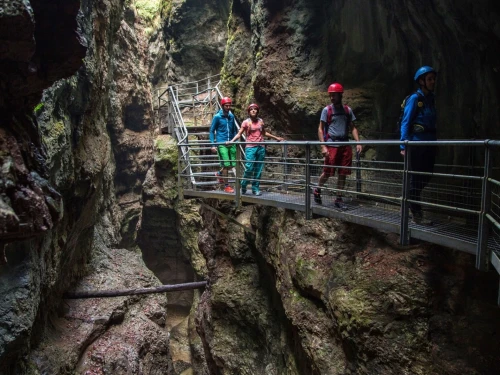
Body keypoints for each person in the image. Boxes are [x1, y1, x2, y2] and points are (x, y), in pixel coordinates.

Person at [314, 83, 362, 208]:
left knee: (343, 172)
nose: (332, 98)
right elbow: (320, 129)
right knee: (328, 172)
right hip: (331, 145)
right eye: (330, 95)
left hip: (345, 144)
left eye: (334, 95)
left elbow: (353, 127)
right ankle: (317, 189)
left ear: (340, 95)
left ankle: (338, 198)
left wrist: (358, 142)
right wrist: (323, 146)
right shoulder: (327, 110)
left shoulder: (347, 110)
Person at [400, 66, 437, 224]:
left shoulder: (430, 98)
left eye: (433, 78)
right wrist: (403, 145)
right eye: (429, 79)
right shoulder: (415, 98)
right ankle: (417, 214)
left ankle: (408, 200)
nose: (433, 82)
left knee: (427, 175)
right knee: (416, 179)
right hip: (416, 144)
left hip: (429, 142)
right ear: (421, 81)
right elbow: (406, 121)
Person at [227, 103, 283, 196]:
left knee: (258, 169)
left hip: (261, 147)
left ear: (257, 111)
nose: (253, 110)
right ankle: (243, 184)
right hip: (250, 147)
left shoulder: (260, 121)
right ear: (249, 112)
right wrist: (231, 141)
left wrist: (276, 138)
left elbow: (264, 133)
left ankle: (255, 188)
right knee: (249, 167)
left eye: (255, 109)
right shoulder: (246, 122)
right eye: (251, 109)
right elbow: (239, 133)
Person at [210, 97, 237, 193]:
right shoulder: (217, 117)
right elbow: (212, 131)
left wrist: (234, 141)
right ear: (222, 106)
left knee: (232, 164)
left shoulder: (231, 116)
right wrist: (213, 145)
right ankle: (226, 186)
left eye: (230, 105)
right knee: (226, 165)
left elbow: (234, 130)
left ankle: (219, 173)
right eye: (226, 105)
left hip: (231, 143)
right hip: (221, 143)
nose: (228, 107)